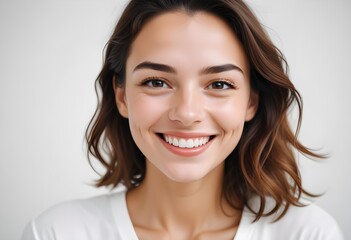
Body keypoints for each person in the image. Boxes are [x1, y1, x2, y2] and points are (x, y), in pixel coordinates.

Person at [22, 0, 344, 239]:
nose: (187, 113)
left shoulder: (308, 234)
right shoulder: (54, 232)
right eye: (156, 82)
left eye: (219, 85)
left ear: (251, 101)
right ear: (121, 96)